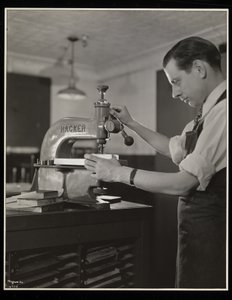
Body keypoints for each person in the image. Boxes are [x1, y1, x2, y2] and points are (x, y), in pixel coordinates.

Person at [84, 36, 227, 288]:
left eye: (176, 82)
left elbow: (182, 184)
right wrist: (132, 123)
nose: (174, 93)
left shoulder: (224, 113)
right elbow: (173, 147)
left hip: (215, 243)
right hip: (197, 239)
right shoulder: (207, 114)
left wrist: (119, 173)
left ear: (199, 69)